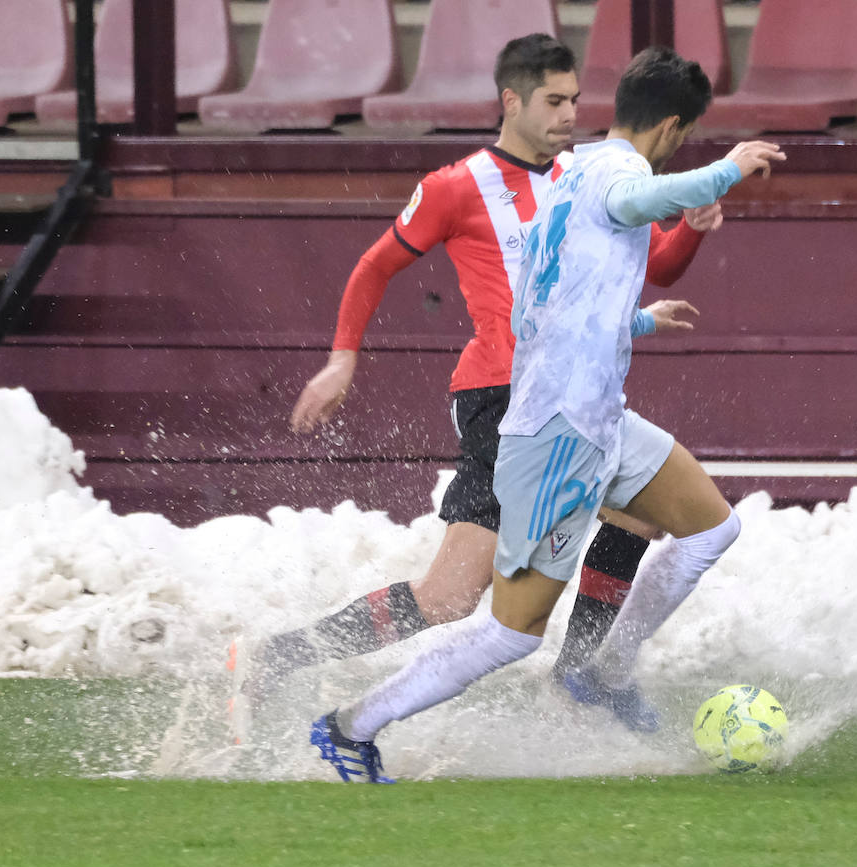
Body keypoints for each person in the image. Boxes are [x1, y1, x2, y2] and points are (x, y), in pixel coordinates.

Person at [310, 46, 783, 783]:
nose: (566, 113)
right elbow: (635, 206)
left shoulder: (571, 171)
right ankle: (350, 726)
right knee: (508, 633)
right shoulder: (617, 177)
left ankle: (603, 670)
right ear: (671, 129)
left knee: (711, 527)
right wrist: (729, 167)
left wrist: (643, 324)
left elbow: (557, 297)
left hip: (599, 418)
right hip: (556, 433)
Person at [229, 35, 722, 739]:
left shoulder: (580, 177)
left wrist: (692, 233)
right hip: (503, 397)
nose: (568, 114)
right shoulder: (456, 186)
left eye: (576, 99)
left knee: (636, 517)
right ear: (511, 101)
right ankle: (288, 665)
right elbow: (373, 267)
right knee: (452, 596)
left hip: (562, 395)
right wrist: (342, 358)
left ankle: (583, 672)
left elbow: (651, 269)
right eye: (554, 101)